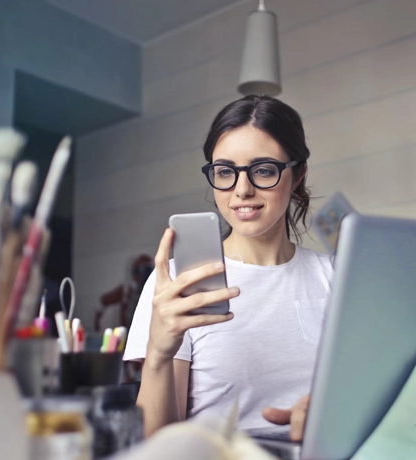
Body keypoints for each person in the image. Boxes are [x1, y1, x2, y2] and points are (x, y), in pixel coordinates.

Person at [123, 95, 333, 440]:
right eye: (225, 172)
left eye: (263, 170)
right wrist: (159, 353)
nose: (242, 190)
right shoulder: (179, 283)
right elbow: (158, 446)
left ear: (297, 175)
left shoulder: (336, 278)